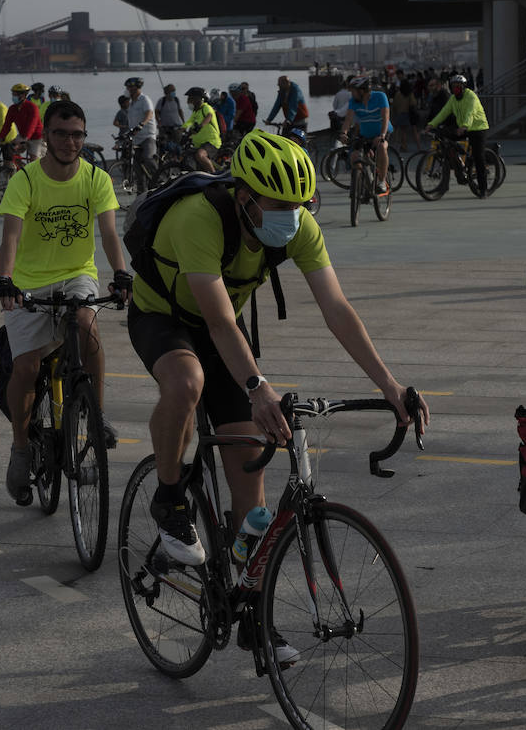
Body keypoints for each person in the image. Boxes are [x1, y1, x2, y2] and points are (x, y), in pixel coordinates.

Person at [126, 129, 428, 659]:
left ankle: (254, 613)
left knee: (251, 466)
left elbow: (337, 309)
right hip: (164, 315)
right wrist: (258, 386)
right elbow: (218, 321)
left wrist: (391, 385)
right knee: (187, 382)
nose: (291, 214)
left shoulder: (296, 227)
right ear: (243, 197)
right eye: (278, 204)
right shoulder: (198, 218)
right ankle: (170, 497)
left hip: (226, 328)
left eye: (299, 205)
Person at [0, 100, 131, 504]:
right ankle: (20, 446)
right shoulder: (26, 181)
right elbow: (11, 236)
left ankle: (96, 414)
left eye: (77, 135)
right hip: (28, 283)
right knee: (26, 366)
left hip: (76, 275)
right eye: (61, 134)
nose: (70, 142)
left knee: (88, 325)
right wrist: (5, 280)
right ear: (46, 136)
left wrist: (120, 273)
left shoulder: (96, 178)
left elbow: (107, 233)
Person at [426, 73, 491, 197]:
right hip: (463, 127)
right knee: (445, 140)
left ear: (464, 87)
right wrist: (432, 124)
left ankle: (483, 189)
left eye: (459, 86)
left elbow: (469, 113)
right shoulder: (453, 99)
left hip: (477, 128)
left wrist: (465, 126)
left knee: (478, 158)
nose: (456, 88)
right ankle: (458, 164)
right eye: (454, 86)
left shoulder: (471, 96)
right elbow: (443, 113)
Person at [339, 76, 392, 193]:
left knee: (382, 147)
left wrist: (382, 135)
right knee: (354, 156)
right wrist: (344, 133)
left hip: (381, 132)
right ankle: (361, 181)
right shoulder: (353, 102)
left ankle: (381, 181)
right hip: (365, 134)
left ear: (361, 90)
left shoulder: (380, 97)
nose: (351, 94)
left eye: (353, 91)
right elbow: (348, 120)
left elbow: (385, 118)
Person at [0, 82, 43, 162]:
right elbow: (6, 125)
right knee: (10, 150)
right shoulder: (12, 109)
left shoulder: (32, 107)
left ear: (23, 95)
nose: (13, 97)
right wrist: (0, 138)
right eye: (13, 94)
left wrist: (25, 139)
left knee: (34, 159)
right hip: (23, 136)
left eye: (15, 95)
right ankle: (19, 169)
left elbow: (32, 125)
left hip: (36, 137)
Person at [125, 77, 158, 183]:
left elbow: (149, 113)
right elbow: (131, 122)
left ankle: (160, 179)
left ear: (136, 88)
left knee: (148, 157)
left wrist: (141, 124)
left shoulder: (144, 99)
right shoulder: (131, 104)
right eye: (127, 87)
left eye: (130, 87)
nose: (128, 89)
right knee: (137, 167)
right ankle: (141, 193)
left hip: (147, 136)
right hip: (136, 138)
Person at [182, 87, 222, 173]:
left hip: (212, 142)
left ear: (198, 99)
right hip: (199, 143)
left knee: (200, 155)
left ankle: (214, 178)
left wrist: (201, 126)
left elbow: (209, 116)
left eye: (190, 98)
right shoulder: (195, 112)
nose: (188, 101)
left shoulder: (206, 108)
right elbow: (188, 123)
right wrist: (180, 130)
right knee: (188, 154)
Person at [389, 79, 419, 152]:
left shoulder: (398, 94)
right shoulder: (410, 93)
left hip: (401, 114)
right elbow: (413, 103)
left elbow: (394, 105)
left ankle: (404, 146)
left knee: (403, 132)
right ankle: (418, 146)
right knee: (414, 131)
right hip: (410, 114)